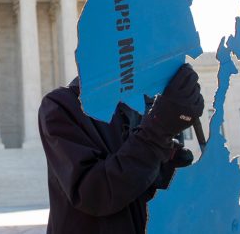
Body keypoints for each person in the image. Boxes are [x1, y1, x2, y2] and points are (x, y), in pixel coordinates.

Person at [39, 64, 204, 234]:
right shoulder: (61, 105)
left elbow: (143, 191)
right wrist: (157, 131)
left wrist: (172, 167)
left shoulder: (144, 104)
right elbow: (94, 193)